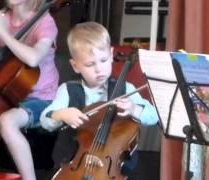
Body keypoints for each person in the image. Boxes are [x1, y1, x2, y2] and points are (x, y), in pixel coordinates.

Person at [40, 21, 158, 177]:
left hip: (113, 166)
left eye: (103, 60)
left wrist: (134, 109)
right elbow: (45, 119)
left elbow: (153, 116)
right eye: (90, 64)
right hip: (73, 162)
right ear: (75, 65)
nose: (98, 69)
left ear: (111, 54)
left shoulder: (126, 89)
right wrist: (61, 114)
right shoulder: (68, 90)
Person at [0, 0, 59, 179]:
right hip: (7, 94)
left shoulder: (45, 22)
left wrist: (3, 33)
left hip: (41, 98)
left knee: (6, 121)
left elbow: (33, 59)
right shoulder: (3, 18)